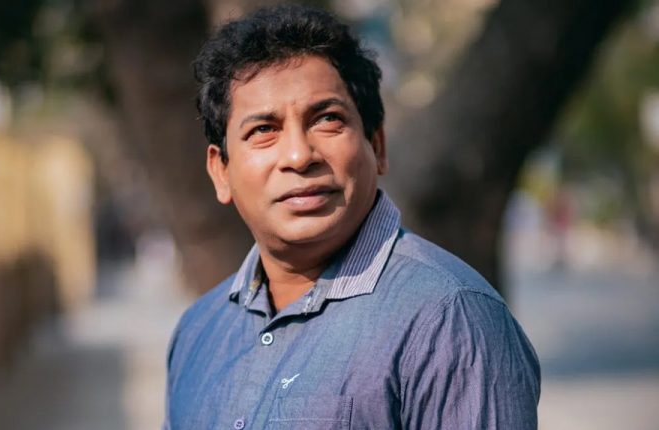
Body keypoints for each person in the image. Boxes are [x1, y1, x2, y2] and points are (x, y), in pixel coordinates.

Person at [163, 4, 540, 429]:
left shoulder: (450, 318)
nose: (299, 156)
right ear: (221, 172)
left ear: (376, 147)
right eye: (263, 130)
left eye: (327, 119)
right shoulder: (198, 332)